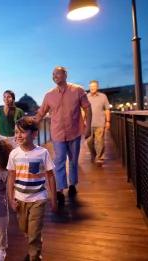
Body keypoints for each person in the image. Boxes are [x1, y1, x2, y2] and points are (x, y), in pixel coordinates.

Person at [34, 66, 92, 206]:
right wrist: (30, 127)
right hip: (58, 133)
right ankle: (60, 189)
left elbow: (87, 108)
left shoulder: (77, 90)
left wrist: (88, 126)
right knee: (59, 160)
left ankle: (72, 184)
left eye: (57, 74)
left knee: (73, 161)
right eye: (53, 74)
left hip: (75, 132)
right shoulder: (49, 95)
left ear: (65, 75)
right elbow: (41, 113)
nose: (54, 76)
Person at [7, 117, 57, 261]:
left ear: (34, 134)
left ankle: (34, 256)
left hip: (38, 198)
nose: (18, 135)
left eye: (22, 132)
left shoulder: (42, 153)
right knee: (25, 229)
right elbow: (11, 177)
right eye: (16, 132)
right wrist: (11, 199)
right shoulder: (14, 154)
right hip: (20, 199)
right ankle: (35, 241)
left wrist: (54, 199)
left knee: (34, 232)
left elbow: (51, 176)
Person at [86, 80, 110, 166]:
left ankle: (99, 158)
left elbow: (107, 109)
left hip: (100, 123)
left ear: (97, 87)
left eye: (94, 86)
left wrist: (108, 121)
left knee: (100, 141)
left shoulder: (103, 96)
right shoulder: (86, 97)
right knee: (89, 142)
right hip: (88, 125)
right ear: (89, 87)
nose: (92, 88)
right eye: (91, 86)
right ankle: (94, 155)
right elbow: (82, 109)